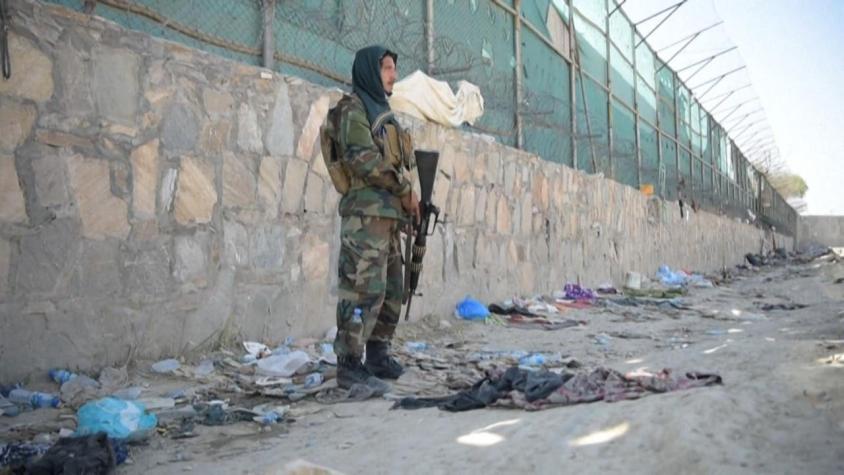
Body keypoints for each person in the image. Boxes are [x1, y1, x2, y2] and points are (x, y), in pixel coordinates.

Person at [331, 45, 420, 391]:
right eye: (386, 68)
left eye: (394, 68)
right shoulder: (353, 110)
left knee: (392, 290)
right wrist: (402, 189)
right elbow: (362, 160)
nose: (393, 75)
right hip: (364, 221)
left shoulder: (381, 112)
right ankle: (349, 364)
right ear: (370, 71)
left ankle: (378, 354)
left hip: (387, 219)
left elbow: (396, 162)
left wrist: (408, 200)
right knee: (362, 291)